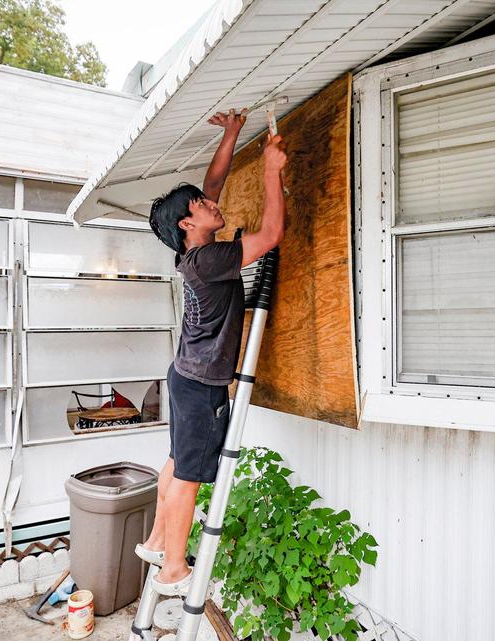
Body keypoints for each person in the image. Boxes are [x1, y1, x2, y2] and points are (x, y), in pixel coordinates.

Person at [138, 107, 287, 596]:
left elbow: (214, 182)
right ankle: (173, 569)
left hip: (184, 375)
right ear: (187, 222)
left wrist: (233, 134)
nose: (212, 202)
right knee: (190, 477)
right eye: (202, 204)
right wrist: (270, 170)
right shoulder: (214, 259)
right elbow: (270, 237)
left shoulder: (193, 252)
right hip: (201, 386)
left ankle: (160, 541)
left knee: (177, 461)